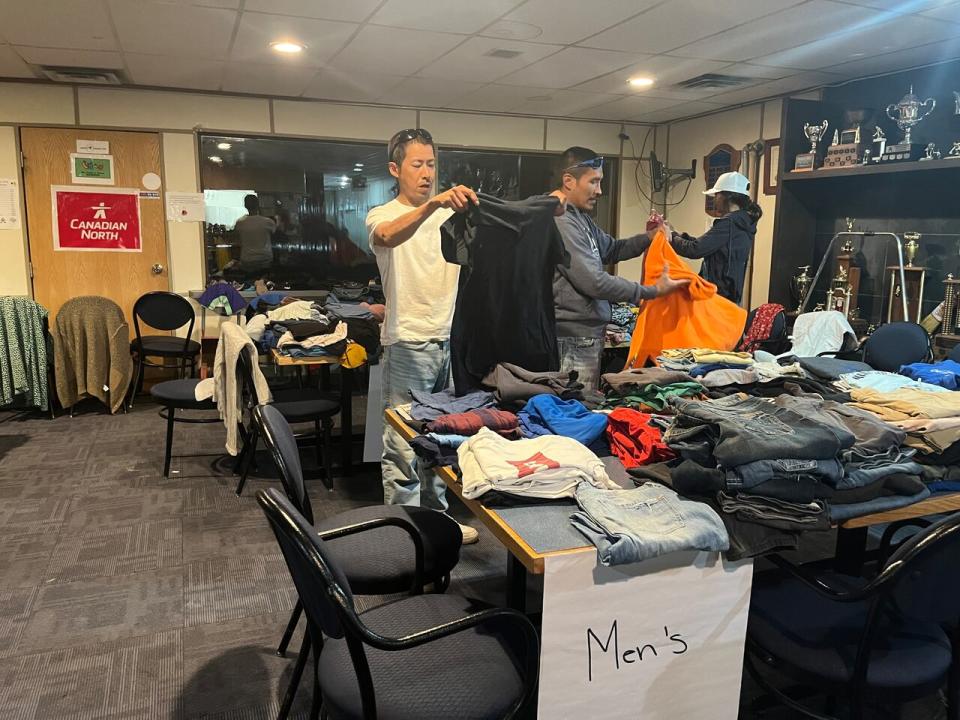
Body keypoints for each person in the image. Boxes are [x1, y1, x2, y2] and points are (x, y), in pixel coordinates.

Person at [366, 128, 480, 544]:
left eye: (432, 164)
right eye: (417, 164)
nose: (427, 172)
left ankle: (439, 523)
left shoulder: (454, 218)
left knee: (444, 438)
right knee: (402, 442)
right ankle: (405, 532)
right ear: (396, 169)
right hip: (407, 342)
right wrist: (433, 205)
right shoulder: (382, 214)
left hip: (451, 342)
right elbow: (388, 237)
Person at [552, 146, 689, 390]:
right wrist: (652, 291)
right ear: (569, 181)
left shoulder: (581, 219)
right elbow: (593, 282)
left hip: (585, 335)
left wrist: (650, 237)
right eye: (594, 182)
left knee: (582, 409)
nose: (600, 190)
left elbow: (613, 249)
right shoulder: (562, 221)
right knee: (576, 411)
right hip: (572, 337)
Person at [662, 171, 762, 305]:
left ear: (728, 196)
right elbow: (705, 245)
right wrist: (677, 235)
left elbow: (694, 250)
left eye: (716, 195)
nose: (714, 199)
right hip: (729, 299)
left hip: (717, 299)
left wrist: (670, 236)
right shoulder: (742, 222)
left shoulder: (730, 223)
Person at [235, 194, 276, 277]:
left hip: (247, 259)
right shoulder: (268, 222)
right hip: (265, 258)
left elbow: (238, 240)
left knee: (249, 282)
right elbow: (275, 236)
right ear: (258, 204)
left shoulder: (240, 223)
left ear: (245, 205)